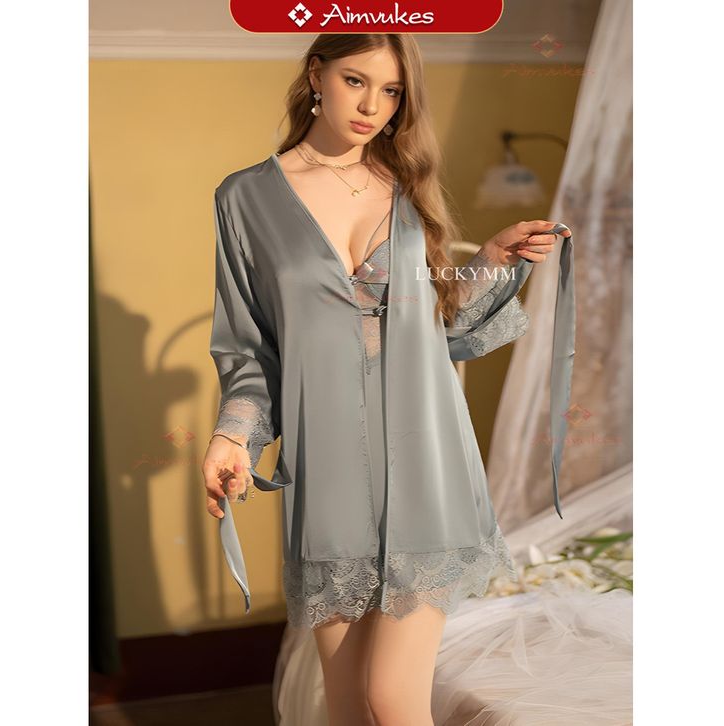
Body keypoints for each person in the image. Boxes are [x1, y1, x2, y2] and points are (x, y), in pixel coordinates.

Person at [202, 33, 571, 726]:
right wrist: (233, 437)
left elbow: (437, 325)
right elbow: (251, 348)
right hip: (328, 470)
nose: (373, 106)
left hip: (427, 459)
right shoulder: (244, 198)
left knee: (391, 698)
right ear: (316, 74)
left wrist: (490, 260)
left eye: (392, 91)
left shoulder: (405, 183)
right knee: (346, 707)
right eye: (356, 81)